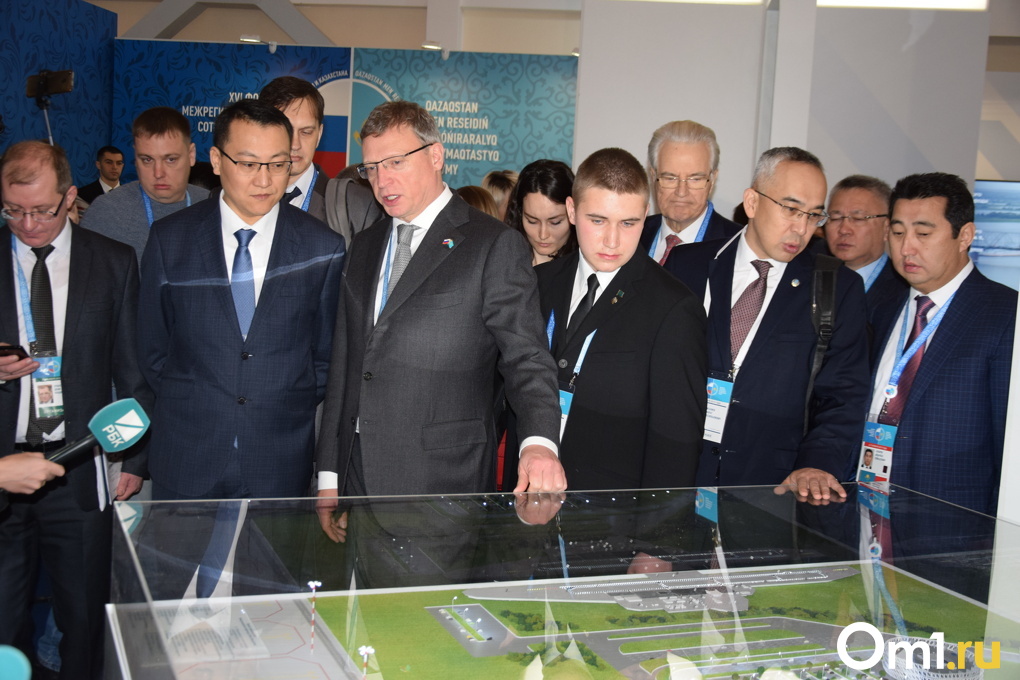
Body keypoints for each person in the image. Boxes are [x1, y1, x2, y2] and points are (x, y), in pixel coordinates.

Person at [315, 100, 564, 525]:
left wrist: (539, 443)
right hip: (359, 478)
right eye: (371, 168)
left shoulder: (492, 244)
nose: (382, 180)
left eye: (395, 162)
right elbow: (346, 360)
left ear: (435, 155)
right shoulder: (365, 244)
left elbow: (526, 357)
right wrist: (329, 475)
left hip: (442, 482)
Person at [137, 100, 345, 500]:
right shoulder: (170, 240)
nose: (264, 179)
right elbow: (152, 348)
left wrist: (277, 401)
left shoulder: (323, 247)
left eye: (278, 164)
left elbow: (324, 358)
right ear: (217, 160)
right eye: (249, 163)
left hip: (278, 457)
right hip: (187, 451)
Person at [0, 140, 151, 679]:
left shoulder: (112, 261)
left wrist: (134, 459)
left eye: (42, 210)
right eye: (13, 211)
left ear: (69, 197)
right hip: (3, 469)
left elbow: (132, 369)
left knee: (83, 620)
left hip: (80, 466)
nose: (28, 225)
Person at [665, 147, 870, 499]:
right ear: (752, 202)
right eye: (790, 209)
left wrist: (817, 464)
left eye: (814, 215)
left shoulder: (836, 287)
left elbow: (843, 395)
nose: (801, 228)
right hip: (676, 473)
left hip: (771, 487)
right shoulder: (688, 266)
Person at [535, 148, 707, 489]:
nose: (612, 241)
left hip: (611, 510)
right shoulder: (537, 283)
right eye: (597, 221)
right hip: (527, 495)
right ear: (571, 210)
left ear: (645, 215)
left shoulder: (674, 309)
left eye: (628, 223)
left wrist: (656, 525)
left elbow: (676, 447)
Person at [868, 172, 1015, 515]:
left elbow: (1008, 442)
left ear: (964, 236)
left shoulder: (1006, 315)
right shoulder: (879, 306)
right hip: (866, 502)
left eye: (923, 234)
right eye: (898, 233)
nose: (907, 248)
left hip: (952, 517)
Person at [81, 107, 209, 263]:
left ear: (191, 155)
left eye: (170, 159)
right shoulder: (105, 213)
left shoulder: (212, 206)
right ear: (135, 157)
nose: (158, 173)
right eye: (147, 160)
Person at [641, 120, 742, 264]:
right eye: (670, 178)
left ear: (712, 180)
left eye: (695, 179)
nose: (681, 192)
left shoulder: (738, 246)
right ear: (653, 176)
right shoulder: (632, 234)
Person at [824, 175, 907, 318]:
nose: (844, 230)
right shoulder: (809, 277)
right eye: (836, 218)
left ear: (887, 228)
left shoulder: (904, 289)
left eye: (858, 219)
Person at [258, 76, 330, 221]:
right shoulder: (230, 199)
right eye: (286, 131)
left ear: (319, 134)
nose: (295, 145)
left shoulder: (349, 206)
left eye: (306, 132)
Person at [505, 159, 577, 265]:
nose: (543, 235)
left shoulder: (588, 268)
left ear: (573, 212)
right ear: (519, 213)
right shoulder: (502, 261)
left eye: (555, 222)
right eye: (532, 221)